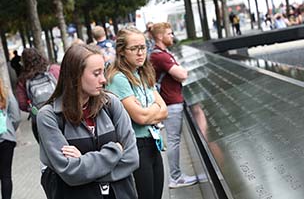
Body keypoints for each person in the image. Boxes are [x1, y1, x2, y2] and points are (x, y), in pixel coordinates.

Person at [37, 44, 139, 199]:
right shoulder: (49, 116)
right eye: (96, 73)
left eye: (103, 71)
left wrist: (84, 163)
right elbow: (71, 173)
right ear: (75, 75)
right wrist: (116, 151)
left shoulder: (111, 103)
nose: (104, 79)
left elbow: (132, 158)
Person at [106, 26, 168, 199]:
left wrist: (151, 112)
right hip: (136, 146)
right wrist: (154, 110)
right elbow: (140, 117)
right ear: (122, 51)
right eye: (134, 48)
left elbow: (164, 110)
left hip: (152, 143)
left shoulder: (143, 72)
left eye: (143, 47)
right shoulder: (118, 78)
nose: (140, 53)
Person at [150, 22, 198, 188]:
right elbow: (181, 74)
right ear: (160, 36)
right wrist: (180, 71)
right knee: (173, 140)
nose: (172, 36)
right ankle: (176, 177)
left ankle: (176, 176)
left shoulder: (162, 53)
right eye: (169, 34)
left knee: (174, 139)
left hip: (172, 101)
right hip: (171, 102)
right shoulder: (160, 56)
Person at [15, 48, 60, 142]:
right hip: (60, 114)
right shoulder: (54, 69)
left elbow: (22, 104)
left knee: (47, 149)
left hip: (40, 120)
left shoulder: (23, 80)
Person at [0, 77, 21, 199]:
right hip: (7, 139)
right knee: (6, 175)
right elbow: (16, 116)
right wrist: (9, 127)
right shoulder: (5, 91)